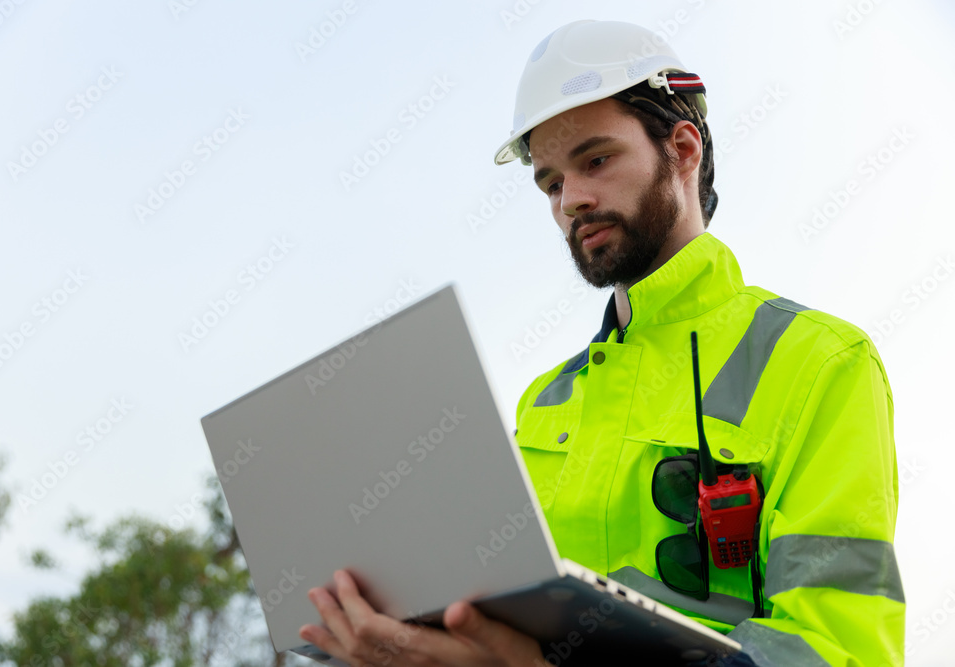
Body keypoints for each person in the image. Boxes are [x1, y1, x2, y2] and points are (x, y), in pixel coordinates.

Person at [299, 20, 904, 666]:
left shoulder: (823, 361)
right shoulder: (545, 402)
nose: (572, 202)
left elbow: (839, 650)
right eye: (552, 182)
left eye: (595, 160)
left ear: (683, 149)